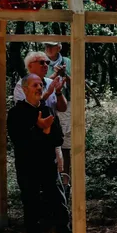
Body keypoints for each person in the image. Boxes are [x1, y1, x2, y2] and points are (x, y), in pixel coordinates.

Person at [8, 74, 71, 233]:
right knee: (32, 207)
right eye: (35, 85)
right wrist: (42, 130)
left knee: (59, 204)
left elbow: (58, 139)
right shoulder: (16, 113)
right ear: (25, 89)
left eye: (41, 84)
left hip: (48, 165)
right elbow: (20, 141)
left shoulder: (46, 109)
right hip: (28, 167)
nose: (39, 87)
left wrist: (46, 131)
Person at [14, 50, 68, 172]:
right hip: (33, 141)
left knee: (56, 177)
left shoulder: (50, 83)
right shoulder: (21, 86)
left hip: (53, 140)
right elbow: (27, 109)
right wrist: (47, 94)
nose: (46, 65)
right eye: (42, 62)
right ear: (30, 66)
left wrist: (58, 92)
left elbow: (63, 108)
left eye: (47, 62)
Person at [44, 42, 73, 175]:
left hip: (66, 103)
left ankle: (65, 177)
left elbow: (76, 82)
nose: (48, 49)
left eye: (51, 46)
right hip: (48, 104)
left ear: (59, 48)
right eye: (46, 46)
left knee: (66, 141)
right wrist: (55, 75)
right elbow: (41, 83)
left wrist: (64, 74)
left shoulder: (68, 61)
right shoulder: (42, 61)